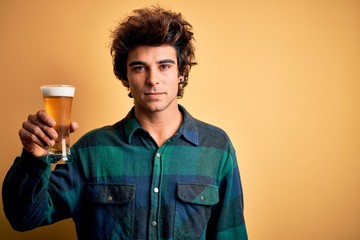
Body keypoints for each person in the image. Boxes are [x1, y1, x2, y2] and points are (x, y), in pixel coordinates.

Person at [2, 6, 248, 240]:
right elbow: (24, 218)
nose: (153, 80)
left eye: (164, 66)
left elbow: (231, 234)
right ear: (125, 77)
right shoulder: (92, 151)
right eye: (140, 68)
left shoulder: (216, 147)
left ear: (181, 73)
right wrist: (33, 159)